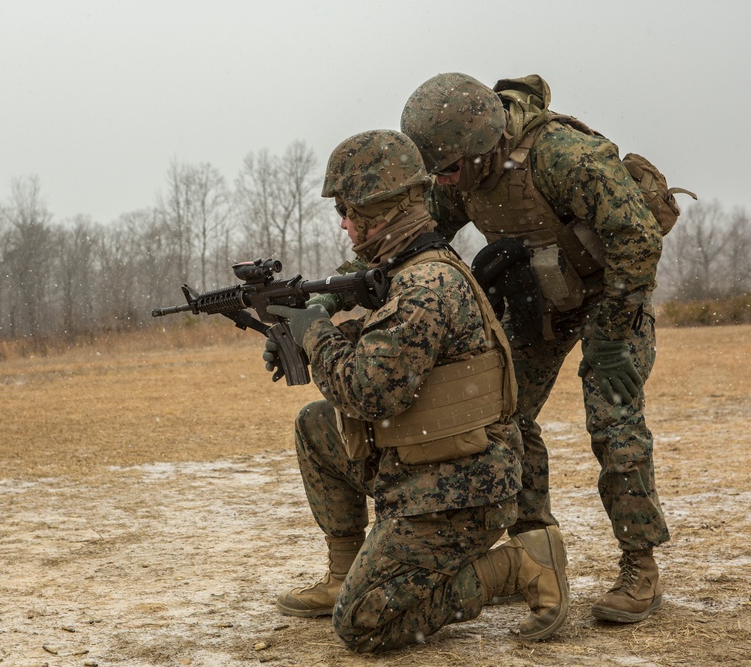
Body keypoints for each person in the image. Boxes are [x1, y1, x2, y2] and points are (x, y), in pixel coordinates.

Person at [264, 129, 569, 653]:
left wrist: (315, 333)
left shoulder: (424, 285)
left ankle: (519, 564)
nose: (343, 223)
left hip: (459, 490)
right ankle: (344, 573)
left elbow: (366, 391)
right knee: (316, 424)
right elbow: (396, 357)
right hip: (428, 464)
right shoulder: (412, 272)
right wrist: (315, 334)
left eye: (348, 209)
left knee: (363, 625)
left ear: (380, 210)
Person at [400, 73, 669, 623]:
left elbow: (637, 238)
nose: (443, 183)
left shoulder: (565, 156)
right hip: (541, 302)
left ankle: (640, 568)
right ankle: (534, 552)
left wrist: (615, 333)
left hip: (613, 295)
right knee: (503, 417)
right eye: (437, 173)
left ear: (478, 150)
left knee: (614, 421)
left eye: (447, 171)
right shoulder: (460, 174)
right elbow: (416, 234)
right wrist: (346, 286)